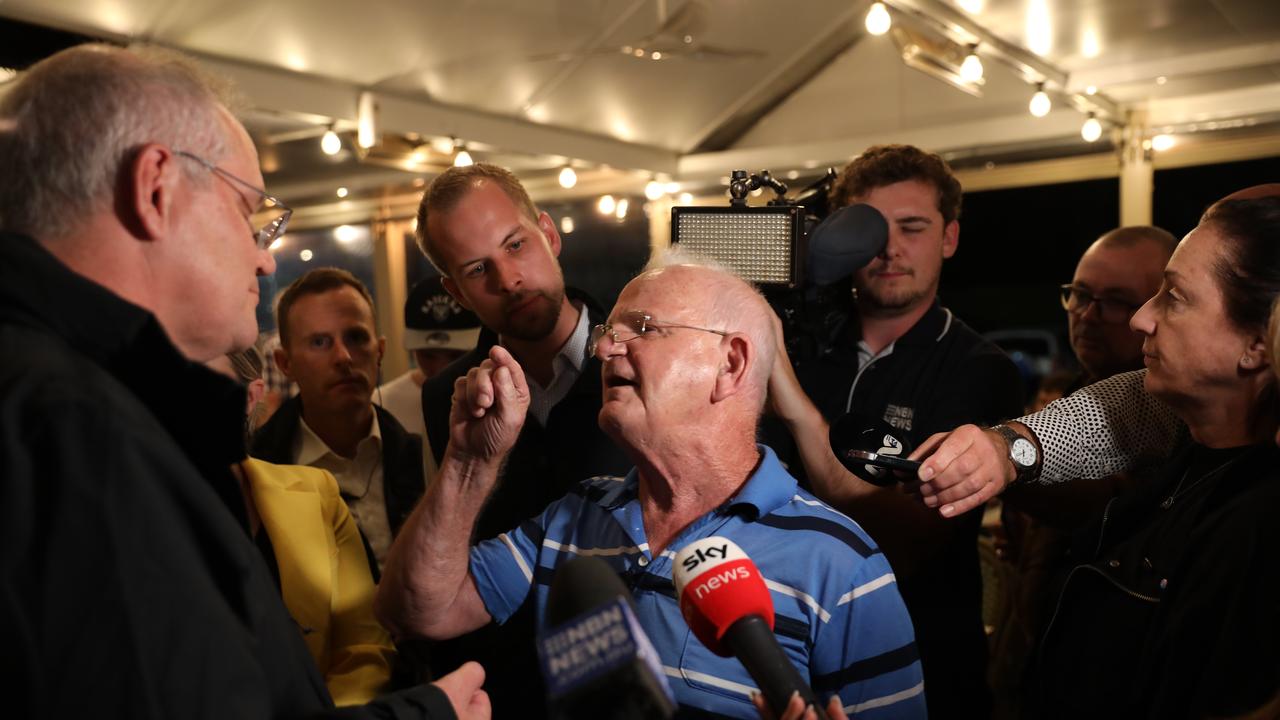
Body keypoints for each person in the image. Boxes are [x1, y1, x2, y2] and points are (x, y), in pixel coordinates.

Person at [0, 43, 488, 719]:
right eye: (248, 212)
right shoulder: (78, 429)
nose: (264, 259)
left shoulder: (73, 399)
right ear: (155, 188)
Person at [376, 256, 926, 718]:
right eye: (607, 332)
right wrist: (470, 462)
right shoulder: (575, 514)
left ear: (730, 365)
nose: (604, 350)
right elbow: (418, 611)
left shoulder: (841, 562)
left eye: (642, 328)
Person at [917, 196, 1280, 716]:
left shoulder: (1260, 526)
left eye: (1173, 297)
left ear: (1258, 344)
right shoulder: (1185, 439)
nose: (1141, 319)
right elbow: (1124, 408)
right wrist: (1005, 448)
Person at [767, 143, 1023, 717]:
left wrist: (795, 407)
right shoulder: (805, 346)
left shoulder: (979, 369)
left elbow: (909, 541)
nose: (889, 248)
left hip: (922, 668)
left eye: (913, 227)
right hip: (791, 660)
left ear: (949, 238)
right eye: (869, 230)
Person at [412, 162, 632, 713]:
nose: (508, 279)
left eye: (516, 245)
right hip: (507, 688)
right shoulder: (447, 398)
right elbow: (451, 550)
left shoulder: (636, 360)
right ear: (455, 291)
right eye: (477, 268)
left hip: (638, 679)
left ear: (549, 234)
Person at [212, 348, 397, 706]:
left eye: (199, 378)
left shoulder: (318, 493)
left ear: (250, 398)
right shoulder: (132, 510)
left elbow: (364, 649)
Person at [251, 267, 426, 576]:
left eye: (356, 337)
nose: (343, 356)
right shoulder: (254, 472)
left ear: (380, 351)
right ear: (285, 364)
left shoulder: (424, 457)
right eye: (319, 342)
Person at [377, 275, 483, 437]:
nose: (440, 368)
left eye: (456, 356)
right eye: (427, 355)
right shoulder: (383, 404)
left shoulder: (501, 401)